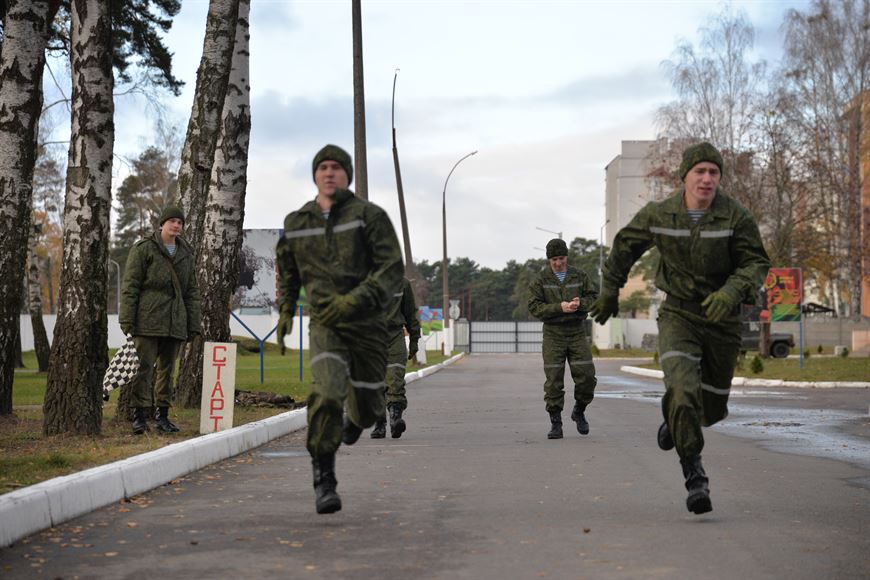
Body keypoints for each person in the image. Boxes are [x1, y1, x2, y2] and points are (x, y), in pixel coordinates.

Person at [590, 142, 770, 515]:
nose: (706, 179)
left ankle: (675, 423)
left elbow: (755, 263)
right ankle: (694, 476)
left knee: (712, 408)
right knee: (683, 391)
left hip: (722, 319)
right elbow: (624, 247)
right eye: (699, 171)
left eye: (713, 172)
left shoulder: (735, 217)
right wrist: (610, 291)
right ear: (684, 176)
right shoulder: (661, 214)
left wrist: (731, 292)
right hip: (679, 315)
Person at [276, 144, 403, 514]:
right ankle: (324, 478)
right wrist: (286, 310)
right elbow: (288, 272)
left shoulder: (369, 216)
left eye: (336, 167)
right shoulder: (298, 222)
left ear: (347, 174)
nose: (329, 173)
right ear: (315, 175)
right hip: (326, 324)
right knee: (327, 392)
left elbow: (391, 268)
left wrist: (354, 300)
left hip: (367, 325)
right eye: (323, 167)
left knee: (368, 406)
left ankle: (357, 421)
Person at [120, 205, 201, 435]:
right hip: (147, 319)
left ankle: (162, 417)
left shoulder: (186, 253)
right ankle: (139, 416)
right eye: (172, 221)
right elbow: (130, 286)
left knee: (167, 370)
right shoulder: (144, 248)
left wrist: (193, 324)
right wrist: (127, 319)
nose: (176, 225)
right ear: (162, 223)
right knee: (143, 369)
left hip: (175, 320)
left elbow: (192, 291)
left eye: (180, 222)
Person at [528, 238, 598, 439]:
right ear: (549, 260)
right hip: (553, 334)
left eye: (561, 258)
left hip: (576, 332)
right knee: (554, 380)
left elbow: (594, 298)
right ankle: (556, 423)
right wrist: (559, 307)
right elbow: (534, 307)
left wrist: (580, 303)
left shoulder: (580, 275)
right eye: (554, 260)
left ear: (566, 256)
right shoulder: (540, 280)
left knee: (587, 377)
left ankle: (579, 411)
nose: (558, 263)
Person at [371, 277, 421, 439]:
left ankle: (395, 420)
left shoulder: (402, 283)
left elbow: (410, 313)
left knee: (395, 379)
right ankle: (379, 424)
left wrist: (414, 339)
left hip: (395, 337)